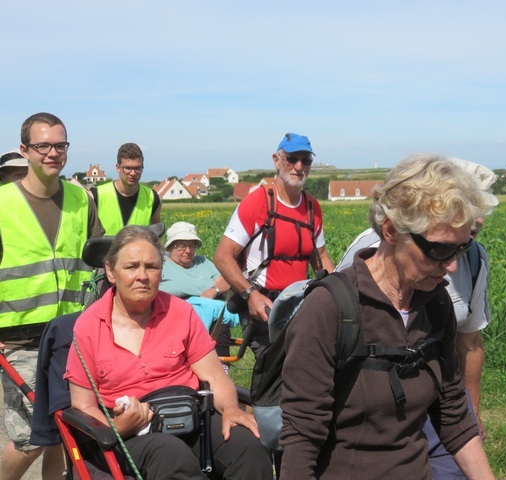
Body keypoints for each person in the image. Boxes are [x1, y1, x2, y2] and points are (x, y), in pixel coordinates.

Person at [279, 155, 497, 479]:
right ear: (392, 230)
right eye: (439, 250)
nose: (451, 265)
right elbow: (302, 440)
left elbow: (453, 417)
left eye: (460, 249)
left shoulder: (436, 308)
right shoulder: (329, 309)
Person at [64, 226, 272, 479]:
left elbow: (216, 377)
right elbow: (83, 405)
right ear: (111, 271)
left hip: (188, 418)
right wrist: (117, 427)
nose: (142, 276)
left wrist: (230, 408)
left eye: (151, 267)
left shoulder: (181, 312)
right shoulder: (88, 326)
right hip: (130, 434)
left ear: (161, 272)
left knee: (248, 446)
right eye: (131, 267)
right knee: (171, 454)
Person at [0, 112, 104, 480]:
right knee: (31, 437)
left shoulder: (82, 198)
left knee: (64, 432)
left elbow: (101, 260)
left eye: (60, 145)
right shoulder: (2, 204)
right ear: (26, 150)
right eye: (42, 145)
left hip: (71, 338)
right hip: (18, 341)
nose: (52, 153)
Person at [214, 133, 334, 357]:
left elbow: (322, 257)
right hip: (263, 304)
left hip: (299, 303)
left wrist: (340, 293)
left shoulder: (311, 207)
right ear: (276, 160)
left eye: (305, 160)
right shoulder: (257, 202)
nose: (298, 166)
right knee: (276, 371)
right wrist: (250, 295)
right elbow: (222, 256)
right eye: (291, 159)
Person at [159, 221, 238, 364]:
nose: (188, 251)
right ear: (170, 247)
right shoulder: (161, 264)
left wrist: (213, 290)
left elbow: (226, 280)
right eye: (182, 246)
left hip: (210, 312)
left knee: (219, 326)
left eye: (192, 245)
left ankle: (221, 369)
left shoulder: (203, 262)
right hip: (174, 313)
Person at [91, 142, 161, 235]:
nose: (133, 173)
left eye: (137, 168)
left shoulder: (153, 199)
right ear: (117, 168)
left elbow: (156, 236)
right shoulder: (96, 196)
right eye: (128, 168)